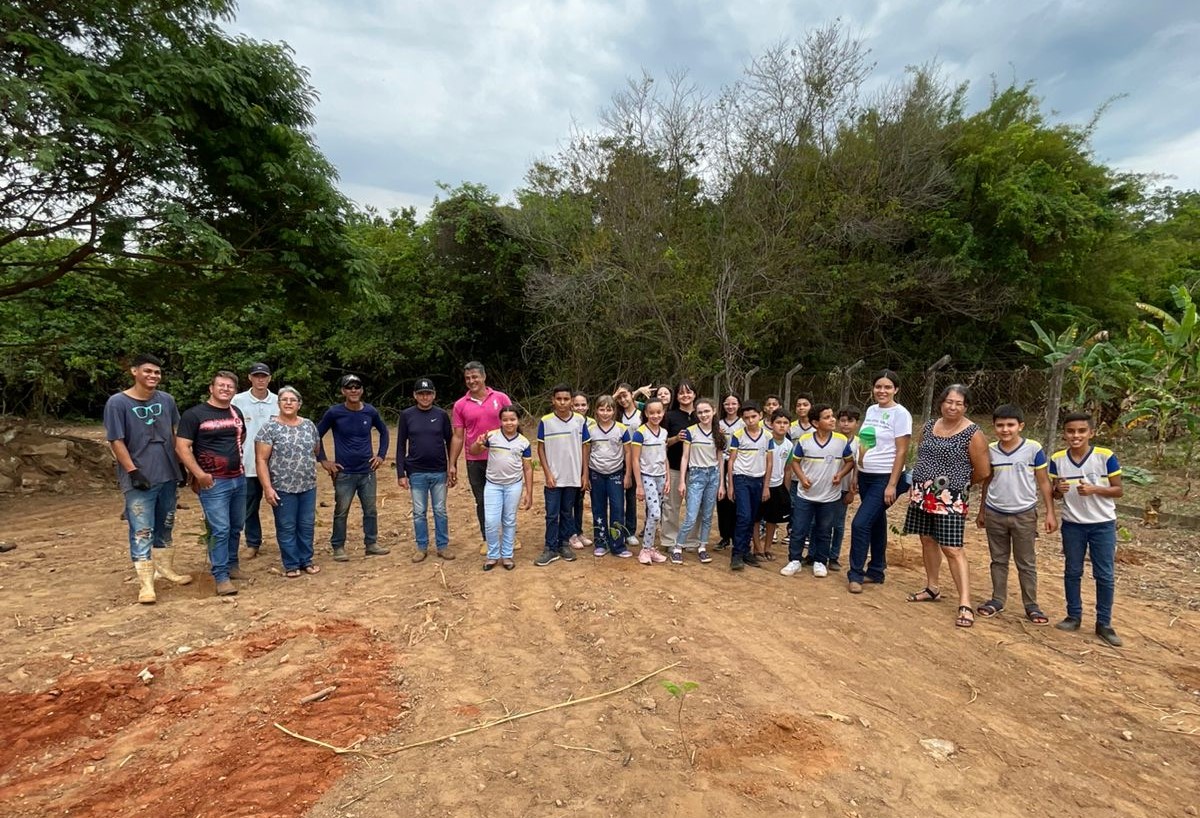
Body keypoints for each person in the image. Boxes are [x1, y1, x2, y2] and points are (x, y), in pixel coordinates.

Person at [103, 354, 190, 604]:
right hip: (140, 476)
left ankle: (166, 569)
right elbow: (116, 440)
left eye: (157, 372)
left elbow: (173, 434)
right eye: (148, 371)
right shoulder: (117, 403)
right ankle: (146, 583)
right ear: (134, 372)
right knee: (142, 528)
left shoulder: (167, 400)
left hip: (168, 473)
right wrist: (132, 470)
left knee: (166, 523)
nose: (153, 376)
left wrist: (181, 464)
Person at [902, 385, 991, 628]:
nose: (952, 407)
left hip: (951, 499)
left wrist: (956, 486)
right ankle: (932, 587)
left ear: (966, 407)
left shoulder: (973, 433)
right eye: (949, 402)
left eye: (958, 403)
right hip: (923, 495)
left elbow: (983, 471)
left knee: (952, 548)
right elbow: (922, 455)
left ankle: (965, 603)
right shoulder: (930, 426)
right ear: (941, 403)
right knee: (927, 540)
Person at [974, 404, 1057, 624]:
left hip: (1024, 514)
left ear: (1020, 426)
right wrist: (982, 509)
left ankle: (1031, 605)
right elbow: (987, 481)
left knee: (1026, 562)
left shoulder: (1033, 449)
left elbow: (1043, 481)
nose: (1005, 429)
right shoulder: (990, 450)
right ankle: (997, 600)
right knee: (998, 560)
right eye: (1000, 425)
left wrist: (1050, 512)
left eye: (1010, 425)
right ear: (994, 427)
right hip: (995, 512)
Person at [1049, 412, 1124, 647]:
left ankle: (1104, 623)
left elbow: (1118, 490)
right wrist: (1058, 489)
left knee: (1104, 574)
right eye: (1071, 431)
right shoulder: (1058, 459)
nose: (1076, 435)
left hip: (1102, 524)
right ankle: (1074, 615)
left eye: (1081, 431)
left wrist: (1095, 489)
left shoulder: (1105, 456)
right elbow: (1054, 493)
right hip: (1073, 524)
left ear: (1091, 433)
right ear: (1064, 434)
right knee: (1072, 571)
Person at [176, 370, 248, 597]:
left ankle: (232, 564)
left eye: (230, 387)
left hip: (238, 477)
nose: (225, 389)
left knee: (236, 525)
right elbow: (182, 447)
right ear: (211, 388)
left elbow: (241, 437)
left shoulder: (236, 412)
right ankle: (221, 576)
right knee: (220, 529)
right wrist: (199, 473)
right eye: (221, 385)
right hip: (213, 483)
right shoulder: (194, 415)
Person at [847, 370, 912, 594]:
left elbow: (902, 451)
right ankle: (876, 570)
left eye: (887, 387)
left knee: (860, 523)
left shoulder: (901, 414)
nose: (882, 391)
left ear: (896, 389)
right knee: (875, 521)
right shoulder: (871, 410)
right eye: (878, 387)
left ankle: (855, 574)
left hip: (885, 478)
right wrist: (857, 473)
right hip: (866, 475)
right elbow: (865, 442)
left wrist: (892, 484)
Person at [316, 374, 390, 562]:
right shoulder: (334, 413)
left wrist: (381, 455)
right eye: (349, 387)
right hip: (344, 472)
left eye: (357, 387)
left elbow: (384, 432)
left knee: (371, 510)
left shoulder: (370, 412)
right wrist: (324, 460)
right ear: (343, 391)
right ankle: (338, 546)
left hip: (367, 471)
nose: (354, 390)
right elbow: (315, 435)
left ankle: (371, 543)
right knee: (341, 510)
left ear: (362, 390)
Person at [782, 405, 855, 578]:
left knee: (824, 529)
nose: (833, 420)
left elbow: (850, 462)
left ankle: (820, 561)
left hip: (830, 496)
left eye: (832, 416)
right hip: (805, 495)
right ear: (816, 422)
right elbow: (795, 462)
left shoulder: (841, 440)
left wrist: (840, 474)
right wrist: (802, 478)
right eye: (827, 417)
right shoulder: (804, 440)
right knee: (799, 528)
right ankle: (794, 560)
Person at [254, 386, 320, 578]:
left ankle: (306, 560)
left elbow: (315, 449)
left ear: (299, 404)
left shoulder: (308, 425)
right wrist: (267, 487)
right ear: (279, 404)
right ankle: (291, 564)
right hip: (282, 487)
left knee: (307, 524)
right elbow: (261, 460)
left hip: (307, 485)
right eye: (285, 400)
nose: (289, 403)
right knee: (287, 525)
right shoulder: (270, 427)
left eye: (293, 400)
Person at [449, 361, 512, 556]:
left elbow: (512, 424)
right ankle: (488, 538)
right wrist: (452, 464)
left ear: (484, 377)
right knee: (482, 500)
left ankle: (508, 536)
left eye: (475, 377)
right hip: (475, 459)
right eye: (467, 378)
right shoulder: (460, 405)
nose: (471, 381)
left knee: (506, 498)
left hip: (501, 457)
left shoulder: (501, 398)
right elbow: (458, 436)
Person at [396, 377, 454, 562]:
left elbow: (450, 441)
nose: (425, 397)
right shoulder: (406, 415)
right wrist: (401, 473)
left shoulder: (442, 415)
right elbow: (400, 445)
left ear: (434, 394)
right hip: (416, 471)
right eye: (421, 393)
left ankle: (442, 546)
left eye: (428, 393)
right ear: (415, 395)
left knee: (440, 510)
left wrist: (452, 467)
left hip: (439, 470)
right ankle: (421, 547)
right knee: (419, 512)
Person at [469, 405, 533, 570]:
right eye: (505, 420)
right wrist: (478, 443)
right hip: (493, 485)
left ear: (518, 421)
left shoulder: (524, 442)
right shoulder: (492, 436)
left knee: (509, 520)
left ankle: (507, 556)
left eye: (512, 419)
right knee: (491, 521)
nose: (509, 423)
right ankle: (492, 555)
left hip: (513, 485)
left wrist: (529, 493)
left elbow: (527, 468)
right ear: (500, 421)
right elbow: (474, 451)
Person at [535, 384, 591, 565]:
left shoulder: (580, 421)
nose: (562, 402)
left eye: (566, 399)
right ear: (553, 400)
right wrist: (547, 473)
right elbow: (541, 448)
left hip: (573, 477)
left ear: (571, 402)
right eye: (558, 399)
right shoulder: (546, 421)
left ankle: (563, 544)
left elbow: (585, 447)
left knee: (567, 512)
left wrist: (584, 474)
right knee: (552, 514)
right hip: (554, 478)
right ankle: (550, 548)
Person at [231, 362, 278, 561]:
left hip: (276, 465)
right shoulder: (237, 400)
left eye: (264, 376)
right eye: (256, 376)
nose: (260, 379)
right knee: (249, 507)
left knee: (281, 505)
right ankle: (253, 543)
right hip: (247, 462)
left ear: (269, 378)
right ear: (250, 377)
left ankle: (286, 541)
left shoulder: (279, 401)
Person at [674, 397, 725, 564]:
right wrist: (682, 481)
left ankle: (702, 546)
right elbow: (685, 457)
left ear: (714, 411)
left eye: (707, 411)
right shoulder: (691, 431)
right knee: (691, 515)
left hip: (713, 475)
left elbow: (720, 458)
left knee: (708, 515)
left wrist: (721, 484)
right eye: (700, 412)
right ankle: (678, 546)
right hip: (696, 475)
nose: (704, 415)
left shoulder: (719, 432)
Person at [727, 401, 774, 571]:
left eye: (753, 416)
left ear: (760, 415)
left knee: (753, 517)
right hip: (741, 479)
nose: (750, 420)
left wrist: (766, 486)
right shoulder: (738, 435)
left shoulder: (768, 436)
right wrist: (731, 485)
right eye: (746, 418)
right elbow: (731, 461)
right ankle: (737, 554)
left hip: (758, 480)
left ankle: (746, 551)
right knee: (744, 516)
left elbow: (769, 463)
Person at [587, 395, 633, 558]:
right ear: (596, 411)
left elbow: (628, 451)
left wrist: (628, 475)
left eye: (609, 409)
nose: (605, 413)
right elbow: (586, 452)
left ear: (614, 411)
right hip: (596, 474)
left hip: (616, 474)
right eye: (602, 409)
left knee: (618, 509)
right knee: (598, 509)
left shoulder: (621, 429)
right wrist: (585, 476)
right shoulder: (591, 429)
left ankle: (617, 545)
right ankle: (601, 542)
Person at [631, 399, 670, 564]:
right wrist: (639, 485)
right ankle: (645, 550)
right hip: (647, 476)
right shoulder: (640, 433)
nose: (656, 415)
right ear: (646, 413)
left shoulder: (664, 432)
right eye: (652, 412)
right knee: (655, 514)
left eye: (659, 412)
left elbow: (664, 456)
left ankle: (651, 548)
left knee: (653, 514)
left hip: (661, 476)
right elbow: (634, 459)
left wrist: (667, 478)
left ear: (663, 412)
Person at [662, 380, 697, 551]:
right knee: (671, 506)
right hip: (674, 467)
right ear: (676, 396)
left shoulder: (703, 414)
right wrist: (676, 438)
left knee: (695, 506)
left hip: (698, 470)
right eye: (681, 393)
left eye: (688, 392)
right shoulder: (670, 416)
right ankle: (670, 540)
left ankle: (691, 540)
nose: (685, 396)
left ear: (695, 394)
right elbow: (661, 442)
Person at [758, 410, 794, 560]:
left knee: (772, 519)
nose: (781, 426)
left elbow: (788, 469)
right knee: (756, 517)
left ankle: (767, 548)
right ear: (771, 424)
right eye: (778, 422)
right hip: (760, 484)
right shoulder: (764, 440)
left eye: (785, 423)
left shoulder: (789, 445)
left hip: (777, 486)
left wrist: (785, 490)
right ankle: (757, 548)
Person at [829, 407, 861, 570]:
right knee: (820, 521)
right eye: (842, 420)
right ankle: (817, 553)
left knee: (839, 523)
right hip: (827, 488)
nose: (846, 424)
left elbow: (857, 467)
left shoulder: (859, 443)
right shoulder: (832, 439)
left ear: (857, 424)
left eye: (850, 421)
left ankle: (834, 556)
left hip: (845, 488)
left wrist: (852, 491)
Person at [613, 383, 644, 547]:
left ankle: (630, 531)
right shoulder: (617, 415)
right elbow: (602, 409)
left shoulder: (641, 413)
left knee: (631, 498)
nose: (623, 399)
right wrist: (614, 395)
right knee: (617, 499)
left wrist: (637, 393)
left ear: (632, 395)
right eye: (620, 397)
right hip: (619, 461)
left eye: (625, 395)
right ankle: (618, 529)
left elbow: (658, 410)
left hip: (637, 460)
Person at [715, 393, 743, 550]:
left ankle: (736, 535)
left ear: (739, 405)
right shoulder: (718, 424)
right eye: (727, 404)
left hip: (739, 463)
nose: (730, 407)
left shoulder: (743, 424)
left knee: (737, 500)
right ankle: (724, 536)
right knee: (722, 500)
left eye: (734, 403)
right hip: (721, 463)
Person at [570, 391, 593, 547]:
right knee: (569, 502)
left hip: (585, 466)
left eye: (583, 404)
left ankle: (578, 531)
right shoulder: (568, 422)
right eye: (577, 405)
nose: (580, 407)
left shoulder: (593, 423)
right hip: (570, 467)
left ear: (588, 406)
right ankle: (570, 534)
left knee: (579, 501)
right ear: (571, 405)